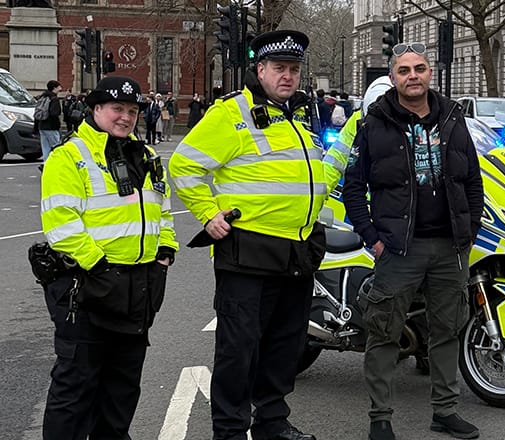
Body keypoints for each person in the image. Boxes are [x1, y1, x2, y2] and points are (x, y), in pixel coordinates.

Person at [169, 30, 326, 440]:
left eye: (294, 69)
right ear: (260, 70)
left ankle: (272, 422)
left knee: (285, 346)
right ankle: (230, 431)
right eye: (279, 68)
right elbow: (185, 166)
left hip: (297, 249)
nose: (288, 76)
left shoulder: (298, 115)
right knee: (238, 350)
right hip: (248, 250)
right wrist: (207, 214)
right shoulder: (231, 113)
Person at [342, 41, 484, 440]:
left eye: (419, 68)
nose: (413, 76)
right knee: (384, 333)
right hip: (398, 248)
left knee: (446, 332)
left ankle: (445, 411)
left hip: (449, 248)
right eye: (404, 70)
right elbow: (353, 186)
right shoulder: (373, 125)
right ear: (393, 78)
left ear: (430, 73)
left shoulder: (453, 120)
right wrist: (371, 236)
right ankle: (380, 418)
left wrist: (468, 232)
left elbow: (472, 181)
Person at [38, 76, 178, 440]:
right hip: (86, 289)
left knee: (122, 390)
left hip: (139, 289)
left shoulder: (144, 156)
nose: (126, 118)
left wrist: (164, 254)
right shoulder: (69, 156)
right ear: (95, 109)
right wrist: (100, 268)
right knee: (75, 389)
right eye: (117, 109)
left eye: (132, 110)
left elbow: (163, 211)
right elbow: (62, 226)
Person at [36, 79, 63, 163]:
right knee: (56, 146)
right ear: (54, 88)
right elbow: (54, 113)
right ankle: (56, 164)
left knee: (45, 147)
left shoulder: (43, 97)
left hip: (42, 125)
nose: (60, 88)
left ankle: (46, 163)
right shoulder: (54, 99)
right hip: (51, 126)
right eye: (59, 86)